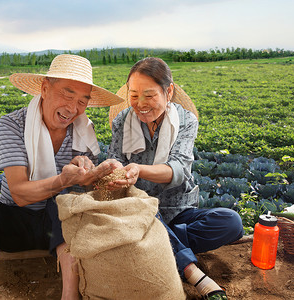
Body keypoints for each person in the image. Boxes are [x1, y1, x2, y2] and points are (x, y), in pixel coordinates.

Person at [0, 54, 123, 300]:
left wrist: (90, 172)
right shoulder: (11, 125)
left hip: (57, 229)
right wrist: (64, 179)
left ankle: (69, 295)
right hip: (14, 225)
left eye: (82, 101)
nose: (73, 108)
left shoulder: (83, 131)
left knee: (67, 198)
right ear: (44, 89)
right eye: (67, 94)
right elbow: (19, 193)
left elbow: (79, 185)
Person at [106, 57, 243, 300]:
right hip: (138, 208)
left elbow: (178, 170)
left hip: (178, 208)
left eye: (149, 95)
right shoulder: (121, 122)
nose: (140, 104)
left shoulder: (186, 121)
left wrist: (138, 168)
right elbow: (115, 158)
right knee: (145, 212)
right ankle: (192, 271)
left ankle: (156, 242)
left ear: (168, 91)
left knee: (231, 222)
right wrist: (115, 168)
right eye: (134, 95)